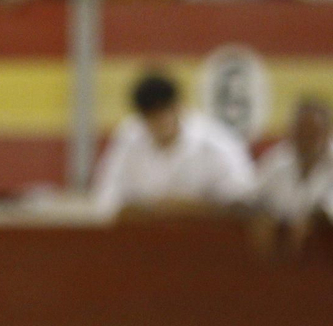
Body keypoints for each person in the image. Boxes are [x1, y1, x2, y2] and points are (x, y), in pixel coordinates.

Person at [91, 71, 257, 218]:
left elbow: (244, 202)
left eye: (162, 113)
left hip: (206, 241)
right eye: (150, 117)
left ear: (177, 107)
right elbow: (106, 200)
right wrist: (147, 209)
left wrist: (190, 208)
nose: (157, 122)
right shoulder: (129, 138)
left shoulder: (217, 143)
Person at [254, 96, 333, 227]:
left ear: (326, 133)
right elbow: (252, 198)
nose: (306, 140)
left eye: (312, 133)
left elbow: (326, 210)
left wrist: (311, 221)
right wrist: (259, 216)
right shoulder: (278, 159)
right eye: (301, 132)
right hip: (281, 244)